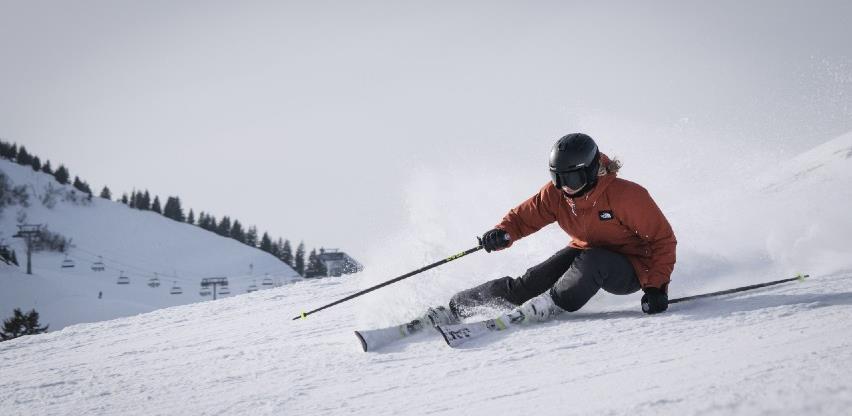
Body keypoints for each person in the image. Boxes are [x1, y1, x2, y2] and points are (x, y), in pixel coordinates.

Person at [448, 133, 676, 323]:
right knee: (530, 282)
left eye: (573, 179)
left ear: (590, 171)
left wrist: (656, 288)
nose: (565, 186)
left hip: (632, 267)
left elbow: (662, 241)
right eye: (557, 178)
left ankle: (549, 305)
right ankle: (459, 306)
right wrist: (503, 232)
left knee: (594, 260)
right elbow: (525, 217)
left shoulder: (627, 196)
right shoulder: (556, 194)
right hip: (586, 251)